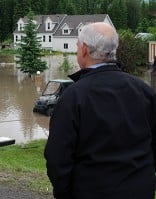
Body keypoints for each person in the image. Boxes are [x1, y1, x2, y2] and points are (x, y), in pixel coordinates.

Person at [44, 22, 156, 199]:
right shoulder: (144, 91)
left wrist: (64, 193)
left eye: (77, 46)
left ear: (84, 50)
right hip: (140, 191)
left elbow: (57, 158)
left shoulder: (73, 97)